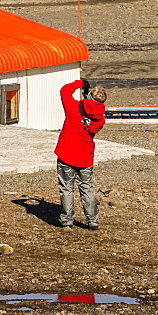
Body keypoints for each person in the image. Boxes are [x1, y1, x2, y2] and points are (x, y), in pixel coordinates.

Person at [54, 78, 107, 230]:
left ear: (88, 95)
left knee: (66, 188)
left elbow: (65, 90)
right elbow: (91, 118)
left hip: (66, 153)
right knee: (87, 188)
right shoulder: (100, 118)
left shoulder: (73, 107)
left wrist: (81, 83)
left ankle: (67, 221)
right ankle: (92, 221)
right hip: (85, 156)